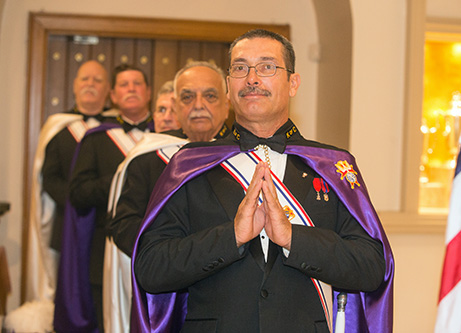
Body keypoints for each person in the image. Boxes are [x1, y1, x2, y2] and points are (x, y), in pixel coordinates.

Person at [132, 29, 394, 333]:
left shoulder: (331, 166)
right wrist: (231, 236)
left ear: (293, 83)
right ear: (229, 87)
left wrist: (293, 238)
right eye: (240, 68)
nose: (252, 79)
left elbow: (371, 268)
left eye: (267, 67)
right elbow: (150, 268)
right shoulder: (189, 165)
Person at [103, 62, 230, 333]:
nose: (198, 104)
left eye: (210, 95)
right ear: (175, 105)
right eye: (187, 96)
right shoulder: (149, 156)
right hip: (166, 295)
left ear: (227, 103)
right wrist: (169, 256)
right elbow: (122, 224)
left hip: (229, 288)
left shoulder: (246, 156)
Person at [11, 60, 115, 333]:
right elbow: (49, 178)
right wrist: (76, 204)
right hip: (66, 227)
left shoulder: (117, 131)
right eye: (85, 79)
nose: (90, 84)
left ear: (107, 90)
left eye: (97, 80)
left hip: (106, 230)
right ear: (74, 86)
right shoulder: (57, 128)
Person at [53, 64, 154, 333]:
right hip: (104, 253)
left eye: (136, 84)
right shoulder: (96, 139)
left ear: (148, 93)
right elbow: (79, 193)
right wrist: (119, 181)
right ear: (113, 95)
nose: (130, 89)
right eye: (123, 84)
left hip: (156, 251)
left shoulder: (166, 136)